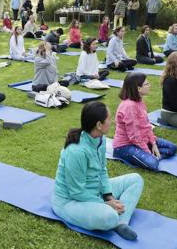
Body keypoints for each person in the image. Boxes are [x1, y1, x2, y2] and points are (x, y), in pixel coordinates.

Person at [52, 101, 143, 241]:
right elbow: (76, 192)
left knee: (136, 179)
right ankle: (115, 218)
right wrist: (105, 204)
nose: (112, 121)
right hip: (70, 201)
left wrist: (109, 196)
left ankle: (121, 223)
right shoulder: (75, 152)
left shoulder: (100, 140)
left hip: (95, 190)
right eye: (109, 118)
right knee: (109, 216)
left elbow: (102, 171)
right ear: (99, 125)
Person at [113, 73, 177, 171]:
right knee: (153, 164)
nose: (150, 85)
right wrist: (147, 151)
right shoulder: (129, 107)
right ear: (138, 88)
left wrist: (154, 143)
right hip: (125, 146)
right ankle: (149, 156)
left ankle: (151, 154)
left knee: (173, 148)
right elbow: (134, 137)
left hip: (142, 140)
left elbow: (146, 126)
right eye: (146, 84)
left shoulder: (140, 101)